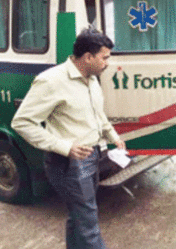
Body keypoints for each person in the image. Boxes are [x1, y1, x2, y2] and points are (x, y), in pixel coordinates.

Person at [11, 28, 125, 249]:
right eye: (105, 57)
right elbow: (22, 122)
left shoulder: (91, 78)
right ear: (88, 57)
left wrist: (112, 135)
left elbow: (97, 113)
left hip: (92, 156)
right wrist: (64, 146)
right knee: (88, 222)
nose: (107, 63)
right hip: (67, 163)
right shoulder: (51, 81)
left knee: (79, 216)